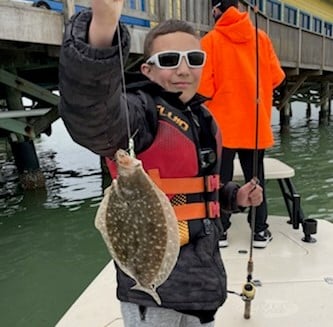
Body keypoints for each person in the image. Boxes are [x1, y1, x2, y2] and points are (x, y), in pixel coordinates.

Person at [59, 1, 263, 326]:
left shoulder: (204, 119)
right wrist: (101, 30)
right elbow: (95, 116)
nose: (183, 70)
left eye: (194, 59)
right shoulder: (140, 113)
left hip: (203, 284)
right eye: (169, 61)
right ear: (147, 70)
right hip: (151, 291)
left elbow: (200, 194)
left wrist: (233, 197)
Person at [198, 0, 285, 249]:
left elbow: (204, 88)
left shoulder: (210, 41)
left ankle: (221, 230)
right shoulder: (261, 38)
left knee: (220, 180)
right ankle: (259, 230)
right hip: (255, 126)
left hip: (222, 128)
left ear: (216, 10)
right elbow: (277, 77)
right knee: (256, 179)